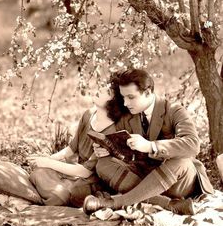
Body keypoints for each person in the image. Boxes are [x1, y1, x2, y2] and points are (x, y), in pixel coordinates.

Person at [83, 68, 214, 215]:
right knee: (103, 164)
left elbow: (192, 145)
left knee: (181, 161)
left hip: (179, 181)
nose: (125, 103)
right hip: (145, 177)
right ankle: (170, 204)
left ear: (148, 92)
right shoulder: (128, 117)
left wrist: (151, 146)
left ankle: (115, 203)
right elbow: (125, 153)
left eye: (131, 97)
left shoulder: (174, 110)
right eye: (123, 97)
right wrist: (108, 150)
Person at [27, 86, 120, 207]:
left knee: (61, 196)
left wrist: (47, 163)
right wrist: (47, 159)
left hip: (89, 182)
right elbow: (70, 149)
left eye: (107, 92)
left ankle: (41, 196)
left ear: (115, 102)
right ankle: (42, 194)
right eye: (102, 87)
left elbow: (86, 172)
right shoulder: (88, 114)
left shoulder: (112, 131)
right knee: (38, 172)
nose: (99, 90)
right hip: (74, 173)